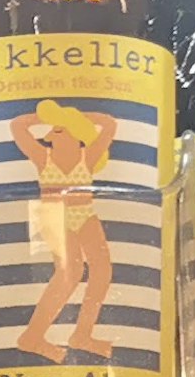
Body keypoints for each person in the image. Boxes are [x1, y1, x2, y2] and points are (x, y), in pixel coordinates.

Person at [9, 96, 122, 359]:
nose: (51, 135)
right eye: (52, 131)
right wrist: (50, 117)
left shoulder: (88, 156)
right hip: (55, 216)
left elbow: (108, 124)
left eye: (58, 130)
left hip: (85, 214)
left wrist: (76, 117)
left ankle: (82, 334)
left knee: (102, 269)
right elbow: (17, 126)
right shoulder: (43, 157)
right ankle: (31, 337)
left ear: (75, 133)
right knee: (70, 272)